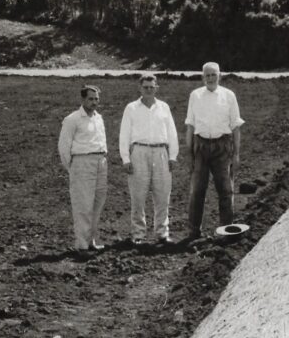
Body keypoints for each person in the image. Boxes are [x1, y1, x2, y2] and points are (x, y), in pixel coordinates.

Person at [184, 62, 244, 242]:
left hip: (222, 147)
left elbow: (235, 127)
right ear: (203, 77)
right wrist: (190, 153)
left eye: (213, 75)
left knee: (225, 190)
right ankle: (194, 232)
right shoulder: (195, 95)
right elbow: (190, 125)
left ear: (220, 76)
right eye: (207, 75)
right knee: (197, 191)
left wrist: (236, 154)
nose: (210, 78)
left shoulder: (228, 96)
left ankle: (227, 231)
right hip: (201, 146)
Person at [119, 74, 179, 245]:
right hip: (139, 152)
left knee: (162, 195)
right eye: (145, 87)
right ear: (140, 88)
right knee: (138, 196)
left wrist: (173, 156)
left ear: (156, 88)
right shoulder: (131, 108)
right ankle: (138, 234)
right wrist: (126, 159)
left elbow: (172, 132)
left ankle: (162, 233)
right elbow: (124, 134)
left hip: (161, 152)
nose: (148, 90)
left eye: (152, 87)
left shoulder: (164, 107)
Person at [58, 84, 108, 252]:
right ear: (83, 99)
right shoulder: (73, 119)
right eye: (90, 99)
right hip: (82, 162)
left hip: (100, 162)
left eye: (96, 99)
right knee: (83, 205)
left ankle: (91, 240)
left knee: (97, 203)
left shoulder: (98, 118)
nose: (94, 102)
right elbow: (64, 147)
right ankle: (81, 245)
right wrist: (73, 168)